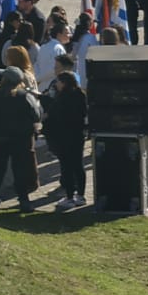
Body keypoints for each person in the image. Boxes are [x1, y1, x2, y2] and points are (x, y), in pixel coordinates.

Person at [0, 66, 42, 211]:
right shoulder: (24, 96)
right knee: (19, 170)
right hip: (20, 139)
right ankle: (24, 201)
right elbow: (36, 115)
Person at [41, 69, 89, 210]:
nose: (57, 84)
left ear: (64, 82)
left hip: (64, 136)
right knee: (78, 166)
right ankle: (81, 195)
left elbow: (55, 116)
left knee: (66, 167)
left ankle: (69, 197)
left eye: (58, 82)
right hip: (78, 135)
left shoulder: (62, 98)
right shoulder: (80, 95)